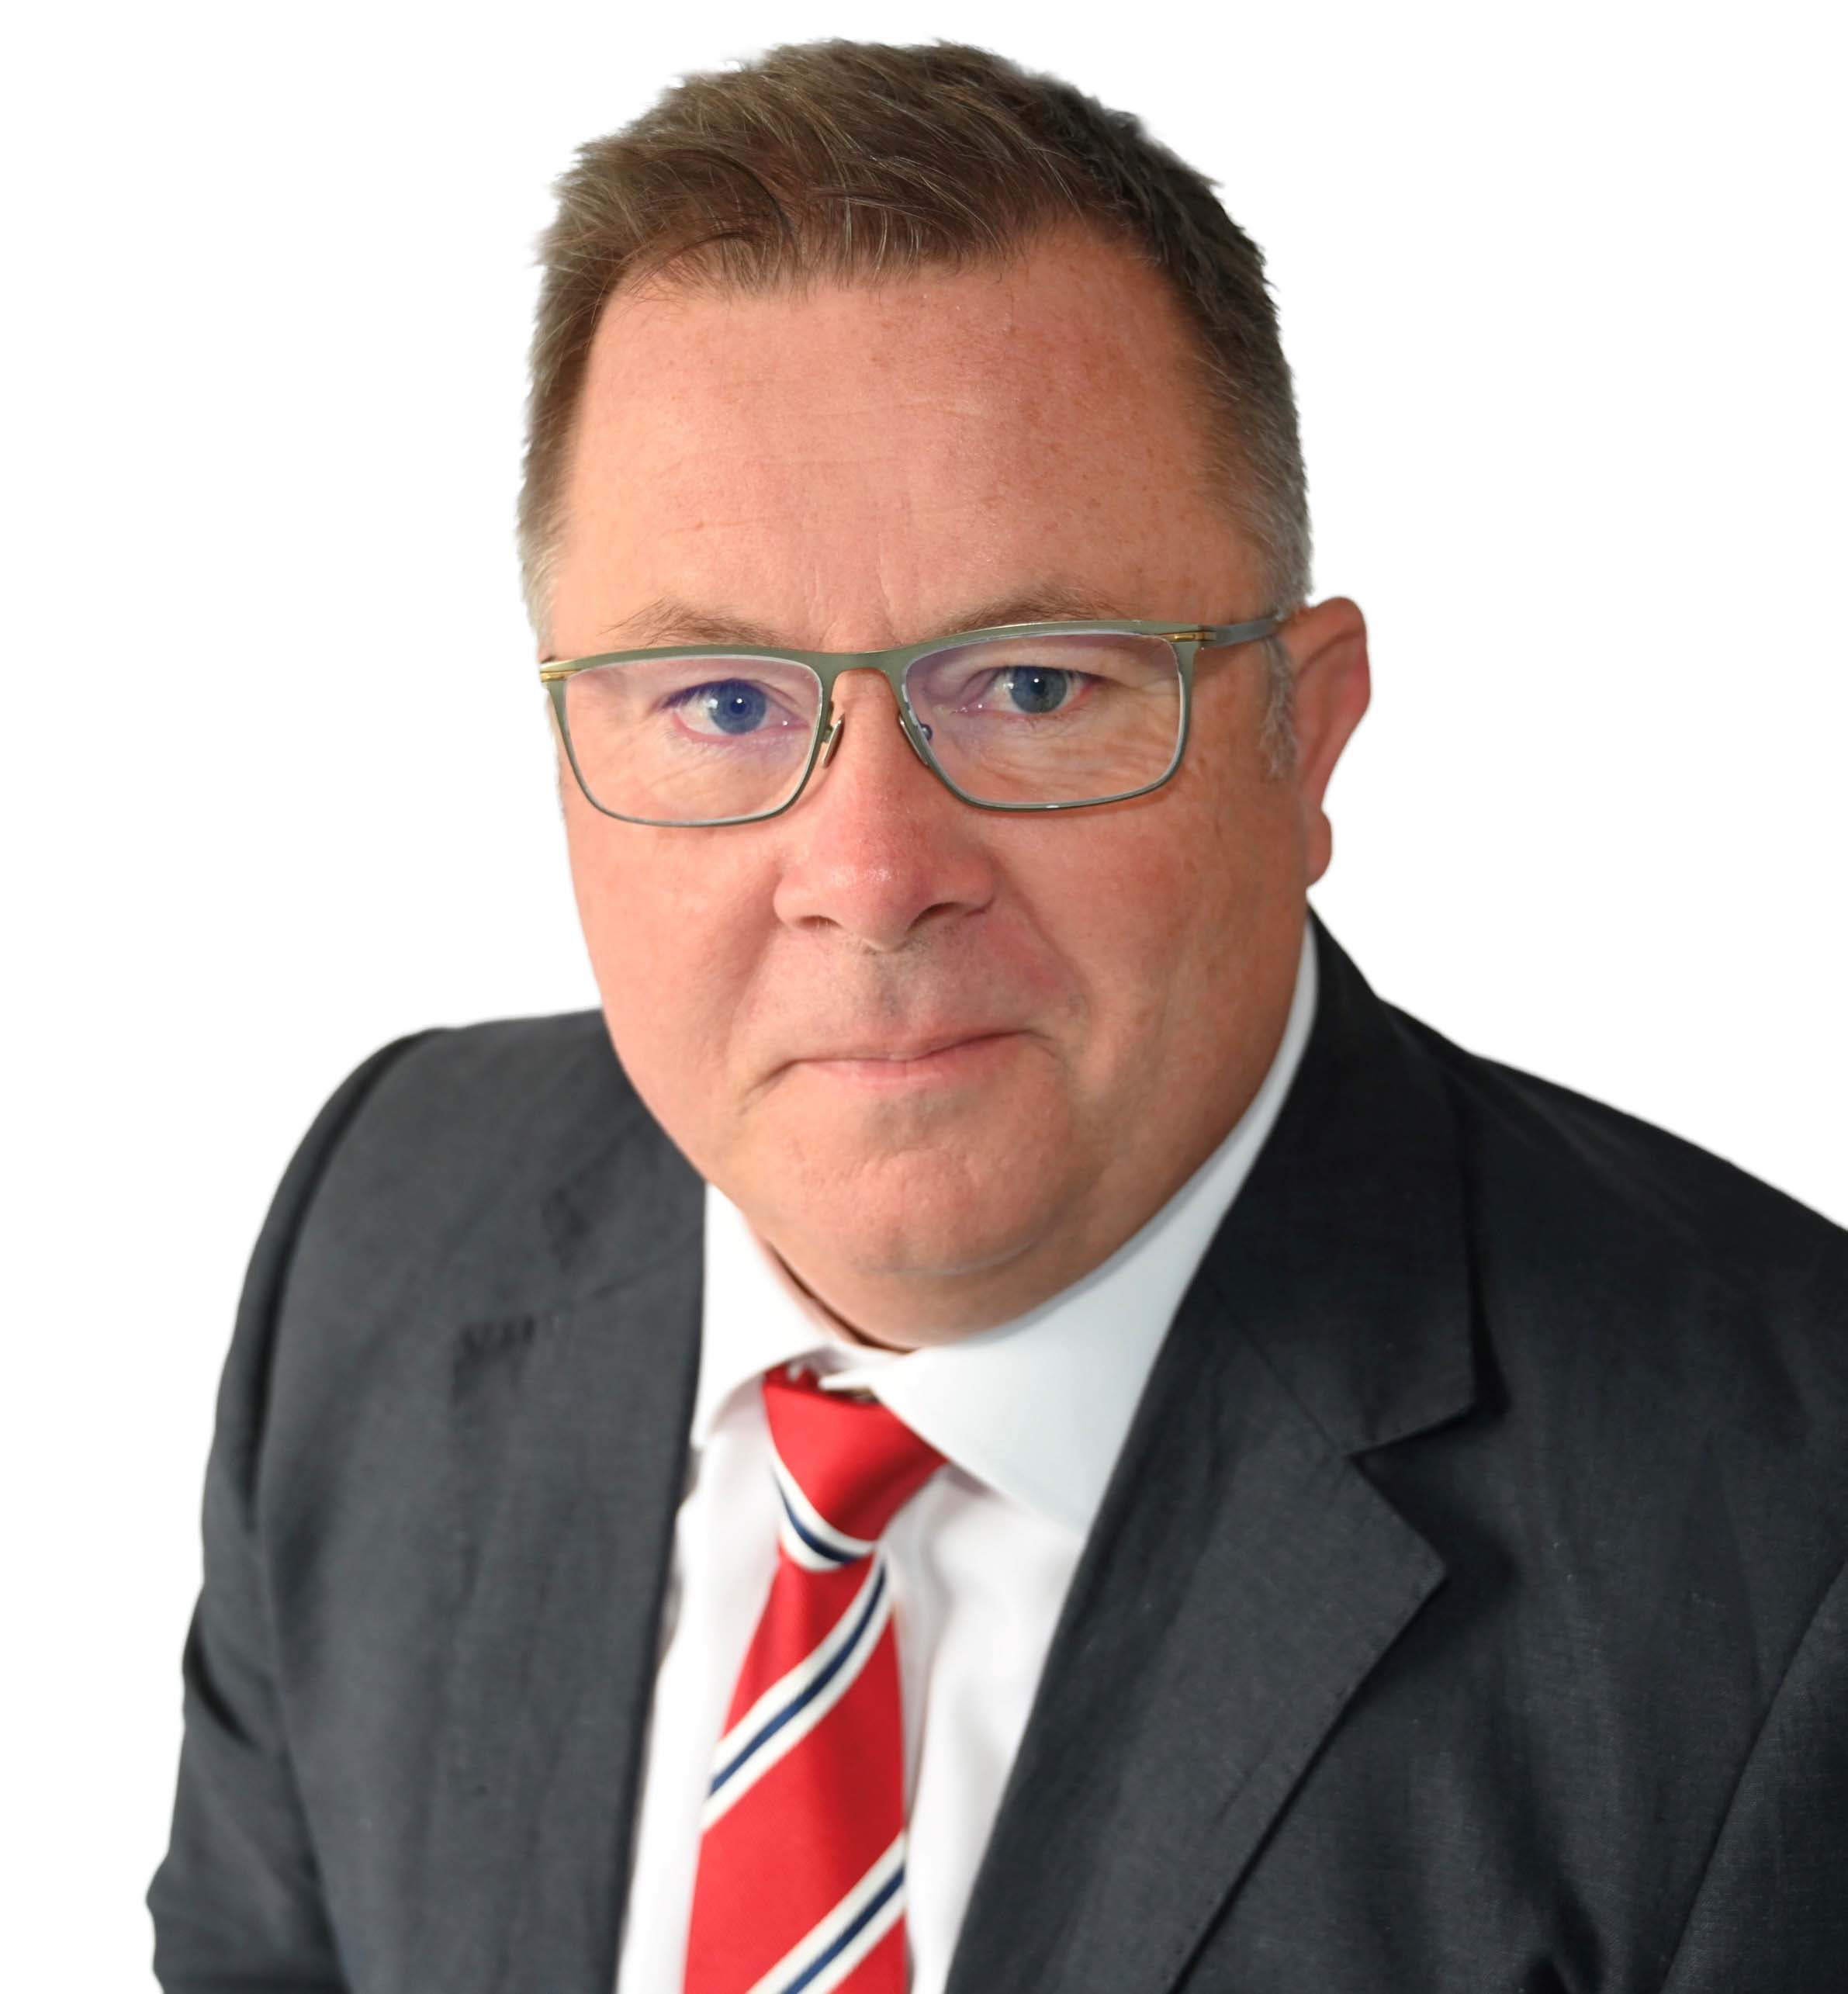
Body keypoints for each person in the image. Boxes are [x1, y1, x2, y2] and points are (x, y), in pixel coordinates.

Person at [147, 36, 1847, 1994]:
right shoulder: (383, 1237)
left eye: (1034, 686)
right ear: (565, 757)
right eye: (720, 703)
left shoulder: (1786, 1554)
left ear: (1305, 739)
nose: (872, 873)